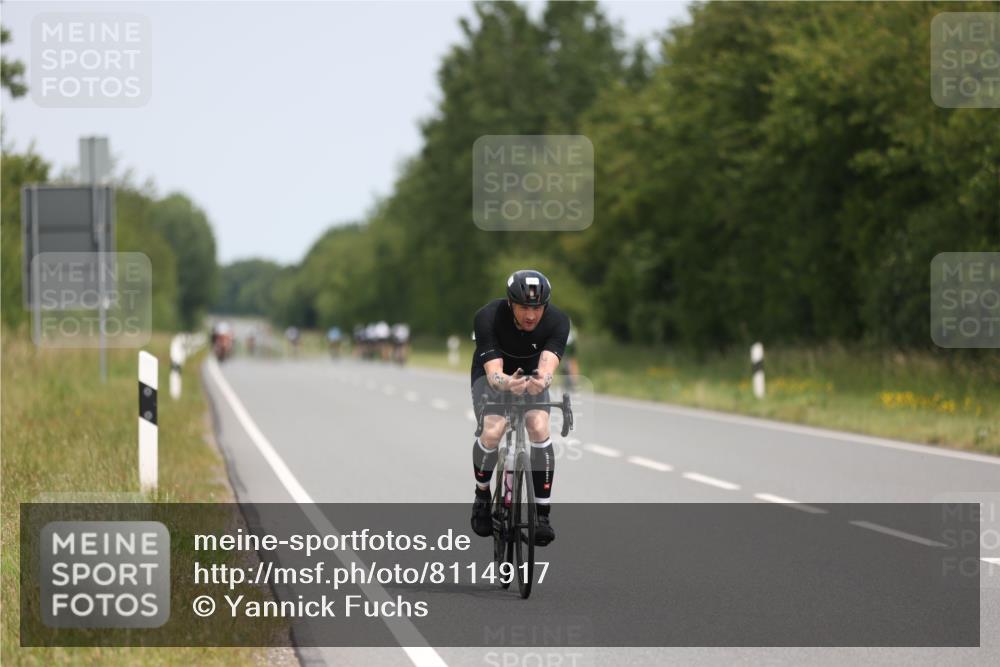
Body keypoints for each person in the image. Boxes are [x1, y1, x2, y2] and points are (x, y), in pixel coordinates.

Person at [469, 269, 570, 546]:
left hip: (530, 375)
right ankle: (481, 495)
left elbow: (548, 364)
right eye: (524, 306)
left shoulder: (558, 321)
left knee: (538, 425)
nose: (530, 315)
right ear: (510, 303)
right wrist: (505, 384)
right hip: (493, 375)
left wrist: (543, 380)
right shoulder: (488, 317)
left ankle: (542, 515)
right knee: (493, 431)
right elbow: (494, 373)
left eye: (537, 308)